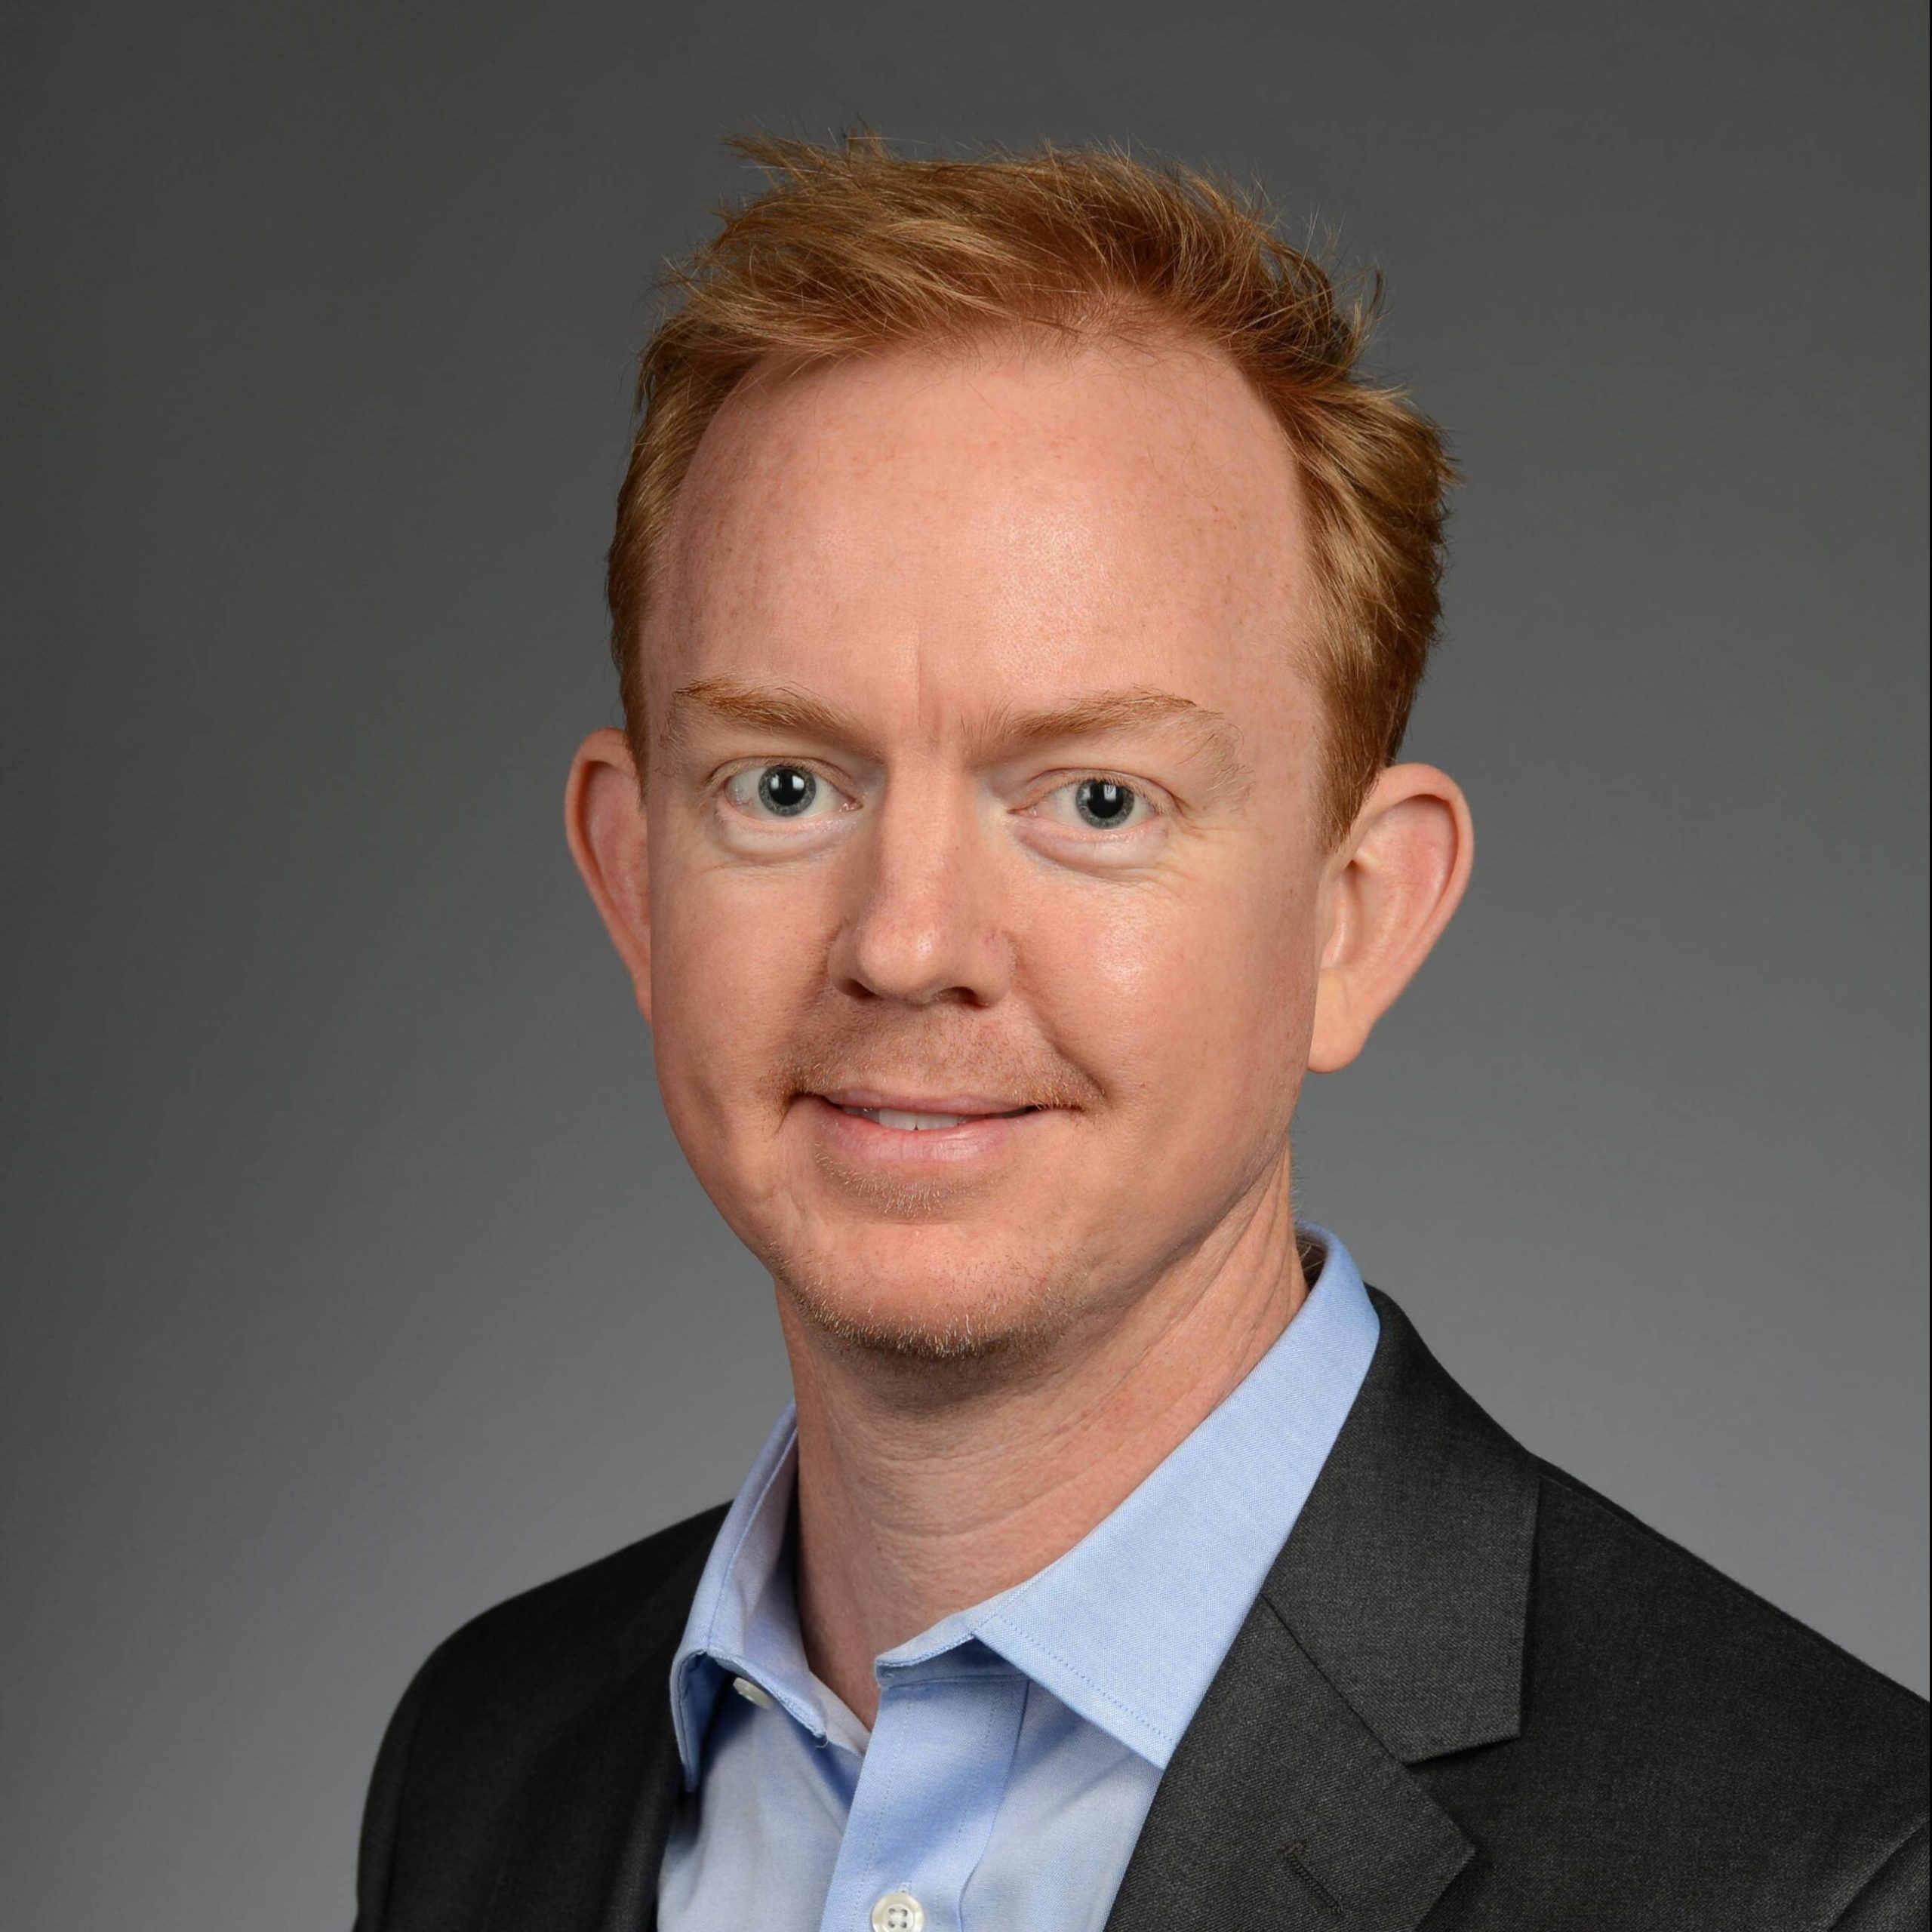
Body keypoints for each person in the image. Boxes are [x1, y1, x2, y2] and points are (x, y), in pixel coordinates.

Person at [351, 133, 1927, 1932]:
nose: (908, 943)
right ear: (634, 881)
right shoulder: (489, 1754)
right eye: (784, 783)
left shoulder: (1833, 1877)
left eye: (1096, 798)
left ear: (1356, 914)